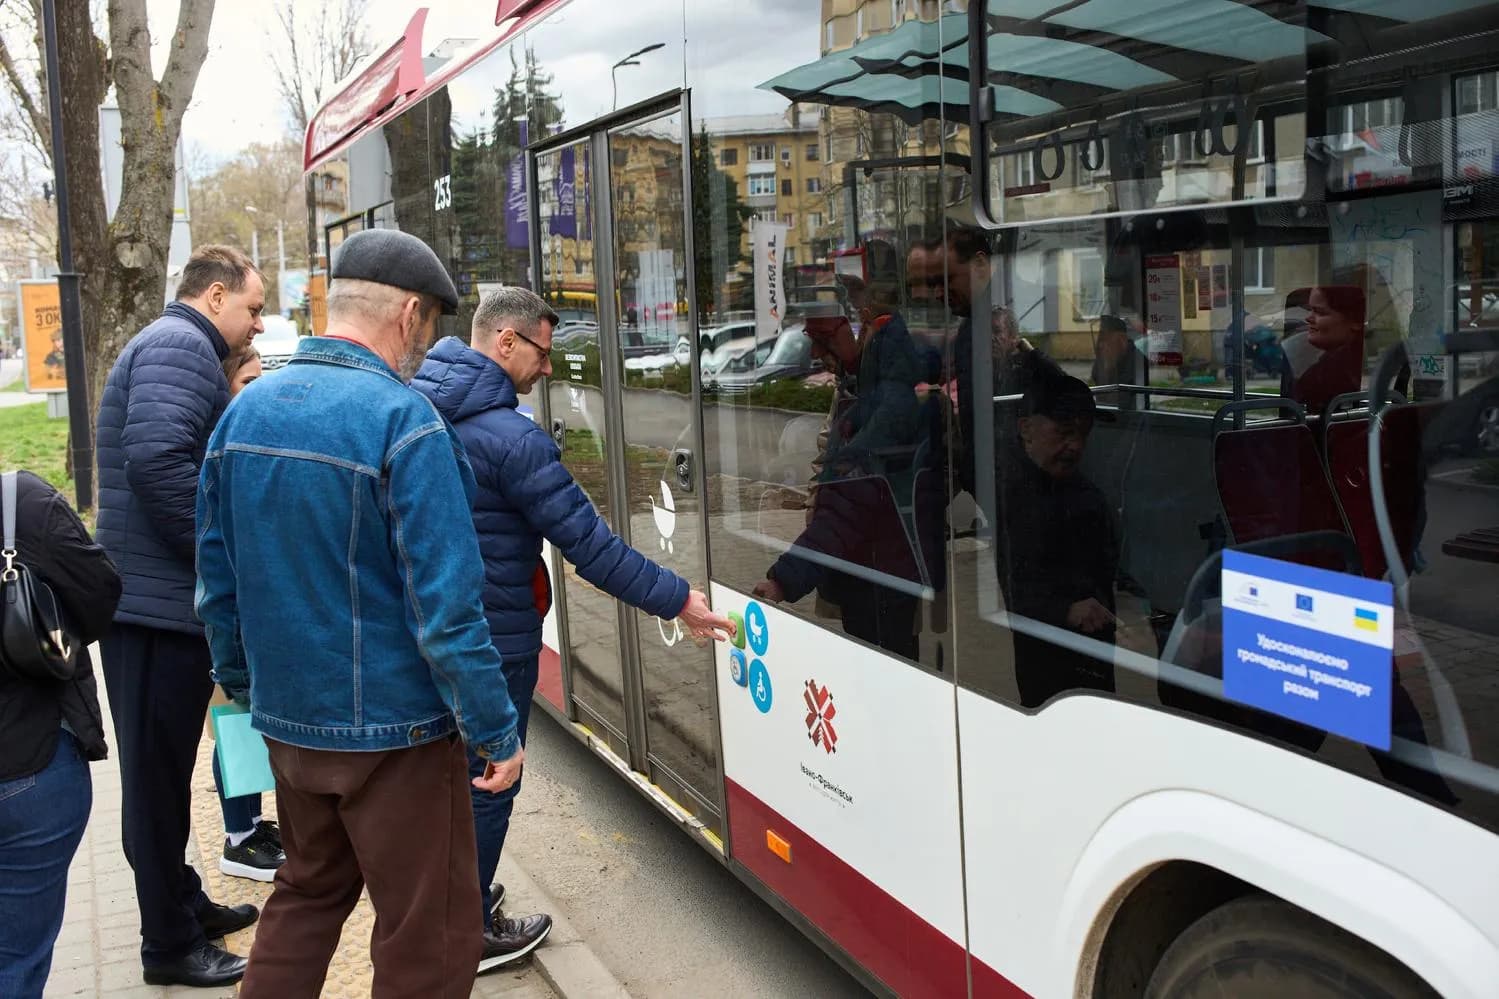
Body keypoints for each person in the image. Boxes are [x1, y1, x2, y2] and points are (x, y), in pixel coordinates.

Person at [196, 228, 527, 998]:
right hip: (397, 734)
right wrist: (493, 729)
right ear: (409, 314)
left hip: (288, 722)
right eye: (433, 324)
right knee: (427, 935)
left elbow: (216, 585)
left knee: (306, 895)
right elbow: (448, 610)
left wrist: (247, 686)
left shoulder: (240, 416)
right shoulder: (406, 423)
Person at [412, 286, 734, 970]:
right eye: (542, 352)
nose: (548, 368)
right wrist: (679, 599)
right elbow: (591, 547)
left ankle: (447, 905)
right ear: (504, 342)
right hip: (495, 638)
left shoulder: (414, 407)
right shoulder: (512, 438)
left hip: (425, 630)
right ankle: (465, 931)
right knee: (493, 777)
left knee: (450, 779)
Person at [94, 244, 265, 987]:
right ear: (216, 294)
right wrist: (217, 561)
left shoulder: (175, 346)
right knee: (157, 786)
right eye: (254, 309)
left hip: (154, 607)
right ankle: (168, 945)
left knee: (163, 777)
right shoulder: (180, 346)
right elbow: (160, 462)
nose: (256, 325)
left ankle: (184, 902)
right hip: (153, 612)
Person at [753, 268, 936, 659]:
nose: (817, 355)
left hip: (877, 577)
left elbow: (846, 505)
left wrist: (785, 580)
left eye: (823, 340)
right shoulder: (863, 391)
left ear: (863, 331)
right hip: (874, 572)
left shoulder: (882, 405)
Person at [0, 472, 121, 998]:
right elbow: (99, 594)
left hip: (29, 761)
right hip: (29, 759)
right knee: (17, 959)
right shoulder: (19, 504)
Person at [203, 341, 283, 884]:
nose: (256, 395)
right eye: (248, 383)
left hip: (243, 606)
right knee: (231, 719)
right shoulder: (220, 441)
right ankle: (238, 837)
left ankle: (252, 821)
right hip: (220, 613)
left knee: (242, 717)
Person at [996, 372, 1119, 708]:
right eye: (1064, 433)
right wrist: (1065, 611)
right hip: (1047, 656)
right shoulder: (1012, 496)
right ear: (1026, 430)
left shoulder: (1086, 491)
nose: (1075, 446)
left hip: (1096, 643)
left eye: (1082, 434)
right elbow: (1016, 591)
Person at [1280, 284, 1367, 411]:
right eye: (1310, 309)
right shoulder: (1327, 364)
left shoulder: (1330, 372)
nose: (1308, 318)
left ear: (1355, 321)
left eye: (1320, 312)